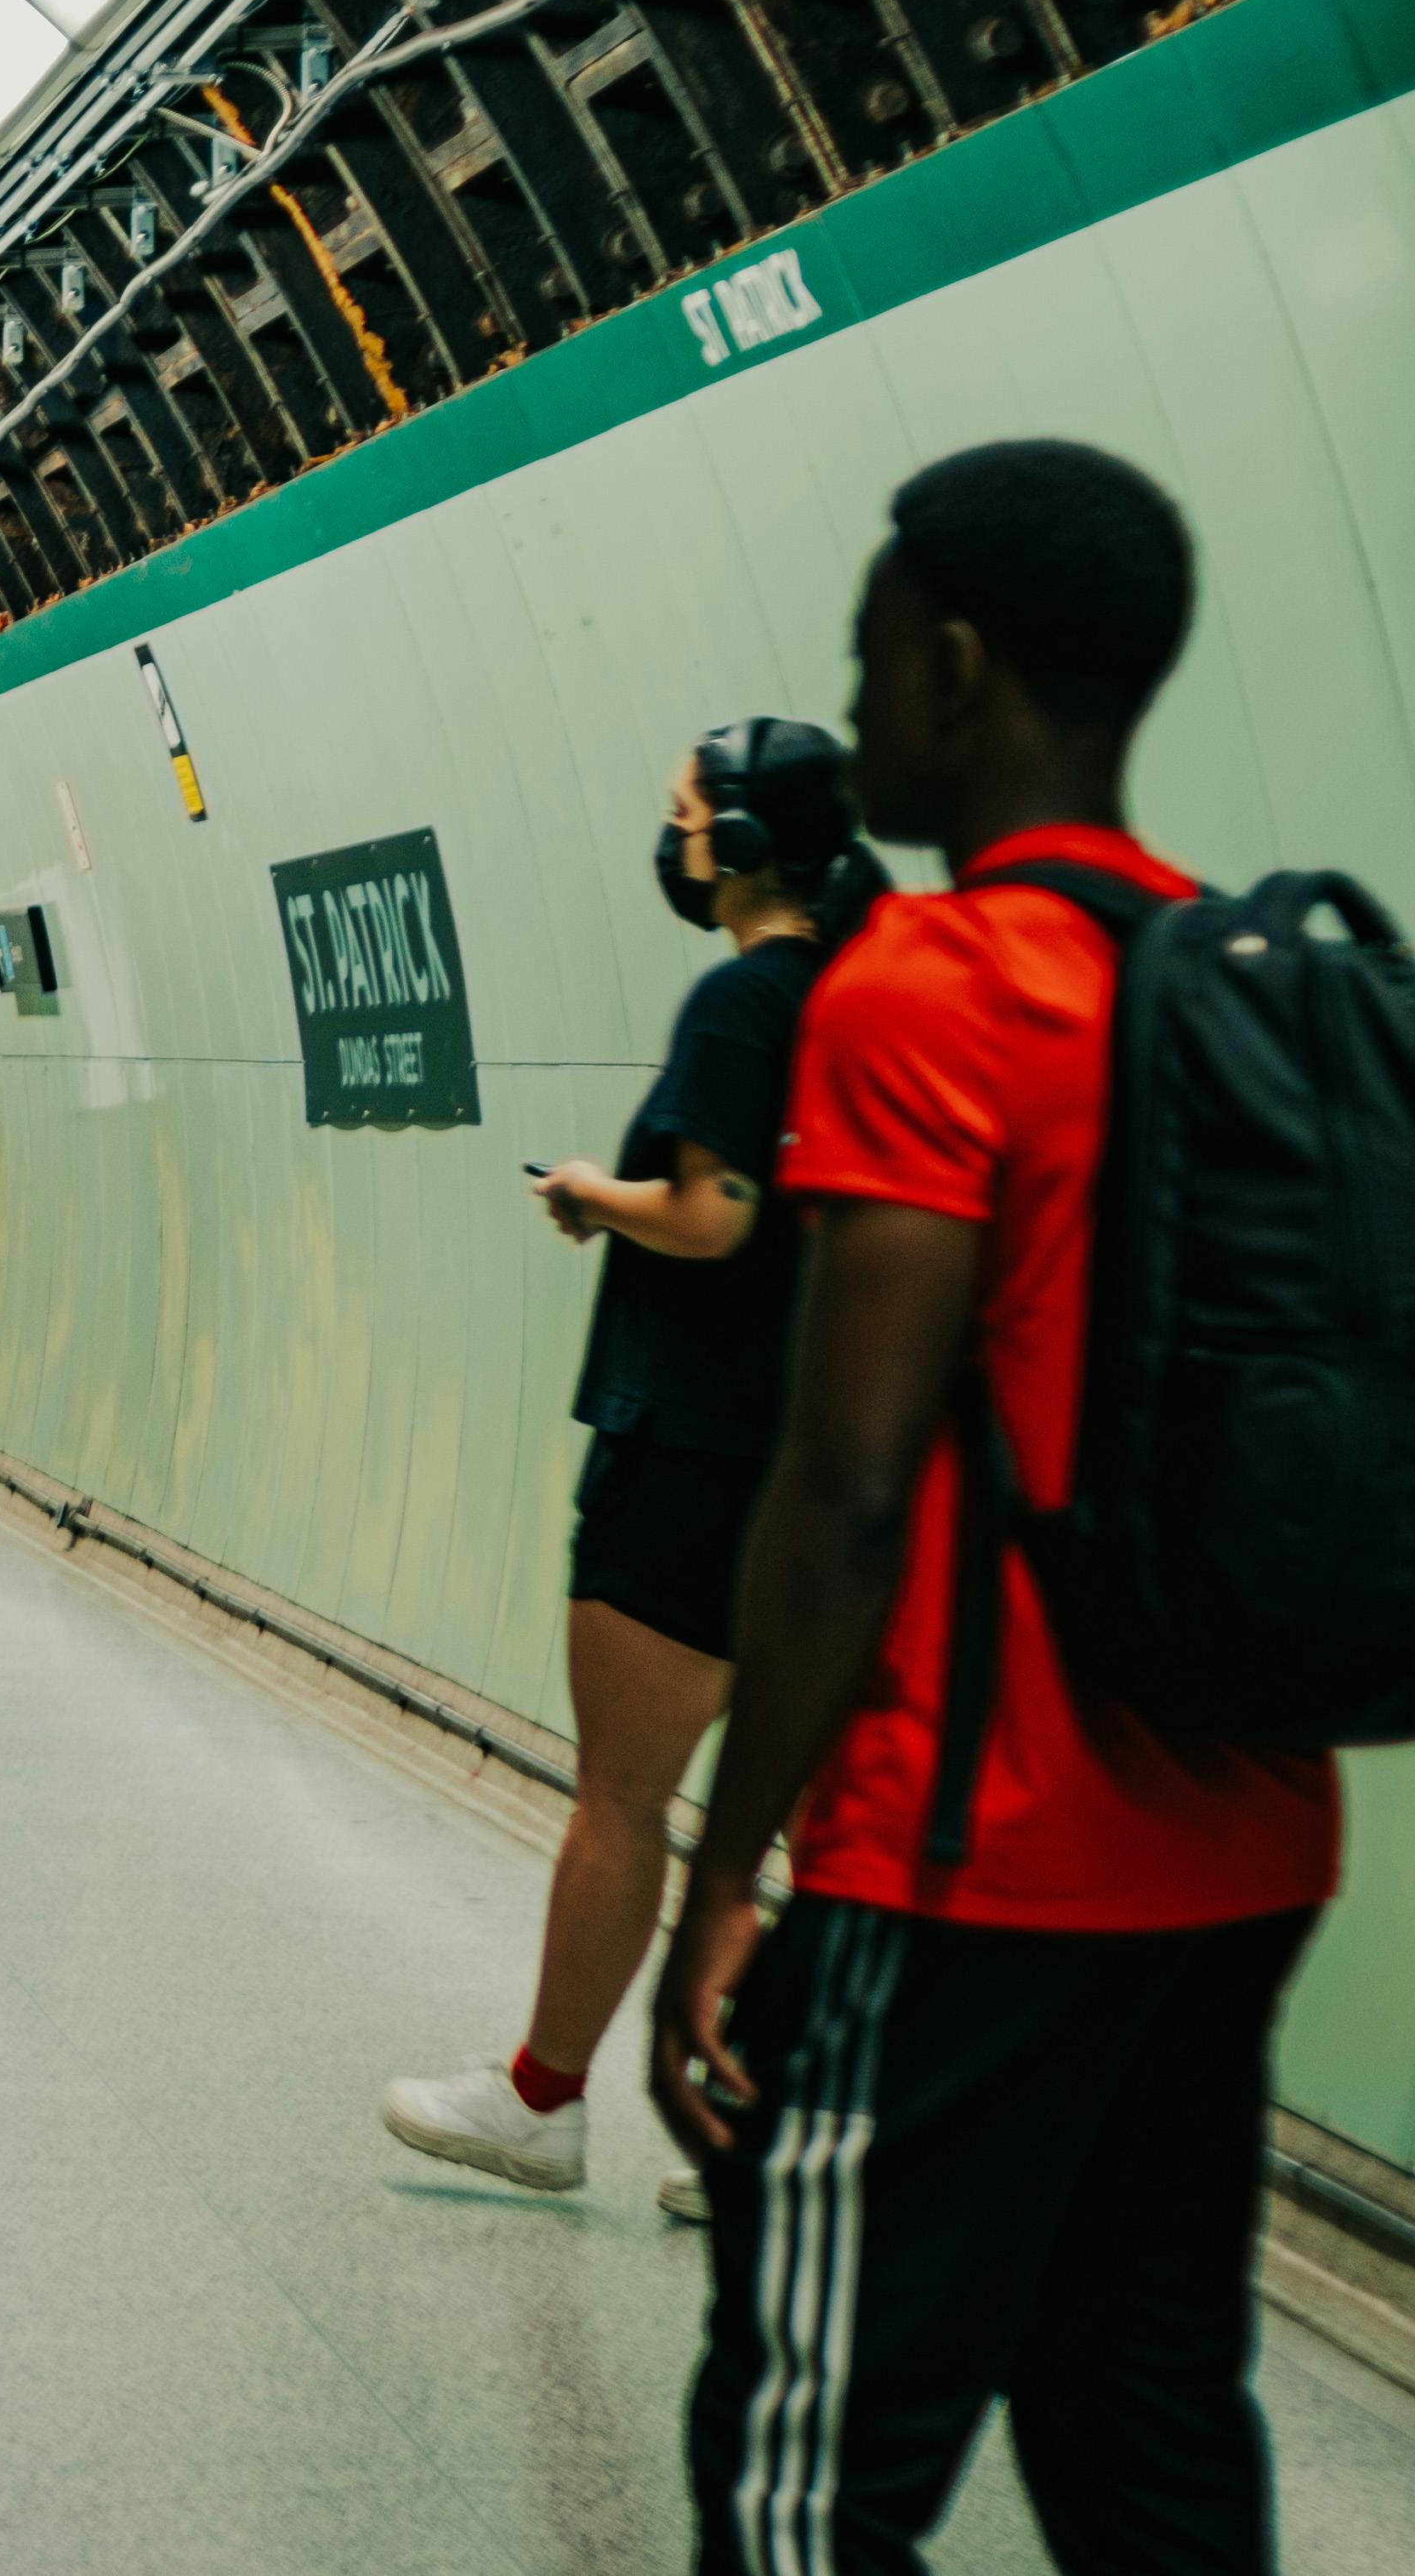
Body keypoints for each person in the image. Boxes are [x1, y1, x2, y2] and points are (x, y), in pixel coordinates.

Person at [650, 441, 1335, 2575]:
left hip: (963, 1871)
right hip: (1238, 1846)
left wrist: (725, 1880)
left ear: (957, 665)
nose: (861, 726)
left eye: (872, 667)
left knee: (808, 2477)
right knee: (1148, 2438)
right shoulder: (1248, 983)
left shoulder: (928, 988)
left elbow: (846, 1486)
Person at [384, 721, 879, 2220]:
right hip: (825, 1462)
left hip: (696, 1460)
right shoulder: (866, 997)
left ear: (735, 842)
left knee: (625, 1796)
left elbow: (718, 1211)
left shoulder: (744, 999)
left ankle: (542, 2102)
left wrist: (599, 1197)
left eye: (682, 817)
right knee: (808, 1814)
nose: (668, 844)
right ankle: (793, 2132)